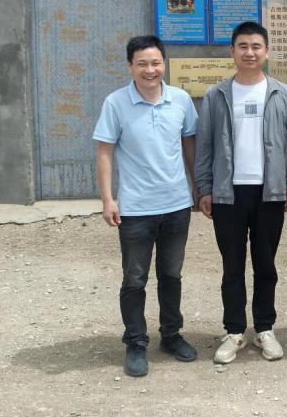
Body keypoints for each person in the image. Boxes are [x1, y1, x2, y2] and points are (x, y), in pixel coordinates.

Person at [194, 21, 287, 364]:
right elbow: (205, 146)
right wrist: (204, 188)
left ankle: (265, 328)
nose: (250, 52)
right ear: (232, 51)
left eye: (256, 46)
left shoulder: (282, 93)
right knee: (232, 266)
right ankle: (235, 331)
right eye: (243, 46)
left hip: (269, 193)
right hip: (228, 194)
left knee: (265, 264)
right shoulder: (216, 95)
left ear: (266, 51)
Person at [93, 35, 199, 377]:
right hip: (136, 208)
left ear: (163, 64)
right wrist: (108, 199)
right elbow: (104, 151)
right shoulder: (115, 103)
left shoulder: (181, 100)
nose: (150, 70)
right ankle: (136, 342)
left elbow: (189, 145)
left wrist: (198, 188)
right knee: (135, 279)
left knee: (171, 274)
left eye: (155, 63)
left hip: (177, 205)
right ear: (130, 66)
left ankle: (171, 335)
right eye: (142, 64)